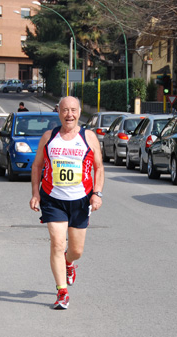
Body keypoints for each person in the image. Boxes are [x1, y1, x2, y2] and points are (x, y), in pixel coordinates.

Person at [29, 96, 104, 310]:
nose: (69, 114)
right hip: (53, 200)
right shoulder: (49, 137)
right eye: (64, 110)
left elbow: (99, 167)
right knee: (57, 243)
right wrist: (35, 194)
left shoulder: (88, 137)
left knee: (76, 250)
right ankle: (62, 291)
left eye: (73, 110)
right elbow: (37, 167)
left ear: (79, 112)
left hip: (80, 200)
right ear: (58, 112)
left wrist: (97, 194)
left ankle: (69, 262)